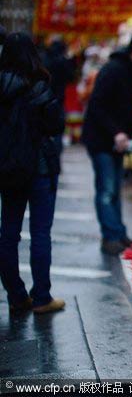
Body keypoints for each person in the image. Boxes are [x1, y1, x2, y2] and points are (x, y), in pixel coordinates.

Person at [0, 32, 65, 314]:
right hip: (39, 167)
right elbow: (55, 126)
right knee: (40, 233)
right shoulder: (41, 86)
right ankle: (41, 297)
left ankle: (15, 295)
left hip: (8, 168)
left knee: (8, 233)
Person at [82, 30, 132, 255]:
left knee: (114, 188)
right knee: (106, 189)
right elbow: (97, 105)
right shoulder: (113, 69)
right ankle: (110, 237)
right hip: (101, 139)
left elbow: (129, 103)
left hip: (117, 141)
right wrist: (116, 132)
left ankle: (118, 233)